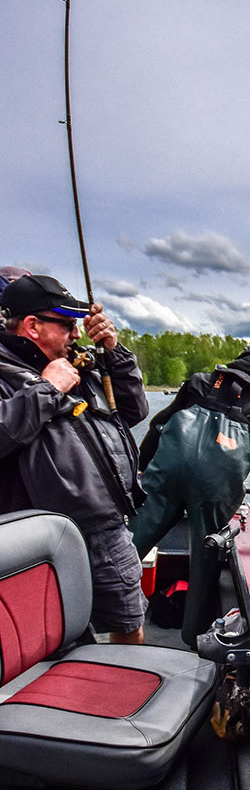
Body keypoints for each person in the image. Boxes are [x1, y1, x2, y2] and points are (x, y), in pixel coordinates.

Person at [0, 273, 149, 643]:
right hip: (39, 540)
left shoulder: (79, 364)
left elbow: (133, 410)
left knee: (128, 626)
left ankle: (124, 694)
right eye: (67, 324)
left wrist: (114, 352)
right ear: (33, 326)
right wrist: (46, 389)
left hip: (105, 530)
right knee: (48, 638)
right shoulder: (11, 375)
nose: (77, 334)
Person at [129, 342, 250, 647]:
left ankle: (96, 611)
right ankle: (193, 637)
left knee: (129, 546)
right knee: (204, 562)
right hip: (214, 491)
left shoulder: (200, 382)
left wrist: (141, 467)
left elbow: (159, 425)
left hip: (165, 475)